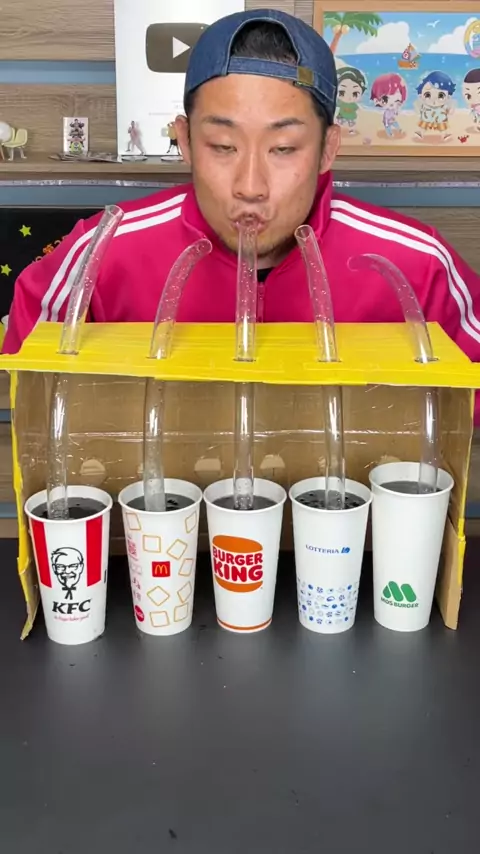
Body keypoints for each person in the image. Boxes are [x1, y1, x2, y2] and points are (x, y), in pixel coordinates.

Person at [4, 8, 480, 421]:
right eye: (223, 146)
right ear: (185, 141)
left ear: (328, 148)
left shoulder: (417, 264)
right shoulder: (102, 252)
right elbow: (34, 394)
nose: (250, 186)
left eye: (284, 148)